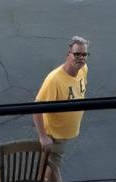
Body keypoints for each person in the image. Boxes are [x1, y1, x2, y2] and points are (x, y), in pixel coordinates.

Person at [33, 36, 89, 168]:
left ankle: (50, 181)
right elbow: (36, 108)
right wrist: (43, 137)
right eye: (76, 54)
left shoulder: (83, 69)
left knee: (52, 164)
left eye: (84, 54)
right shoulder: (54, 80)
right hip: (55, 136)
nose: (81, 58)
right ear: (68, 55)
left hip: (66, 133)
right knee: (51, 166)